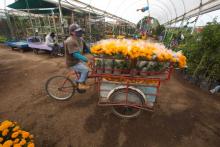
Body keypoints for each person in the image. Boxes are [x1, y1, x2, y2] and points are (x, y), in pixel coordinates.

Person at [64, 23, 90, 90]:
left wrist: (95, 53)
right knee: (85, 70)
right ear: (72, 32)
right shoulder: (70, 41)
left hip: (78, 61)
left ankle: (77, 81)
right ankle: (80, 84)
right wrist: (86, 59)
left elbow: (87, 48)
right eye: (78, 31)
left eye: (80, 31)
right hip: (72, 62)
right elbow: (75, 54)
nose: (80, 32)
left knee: (88, 68)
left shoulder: (80, 39)